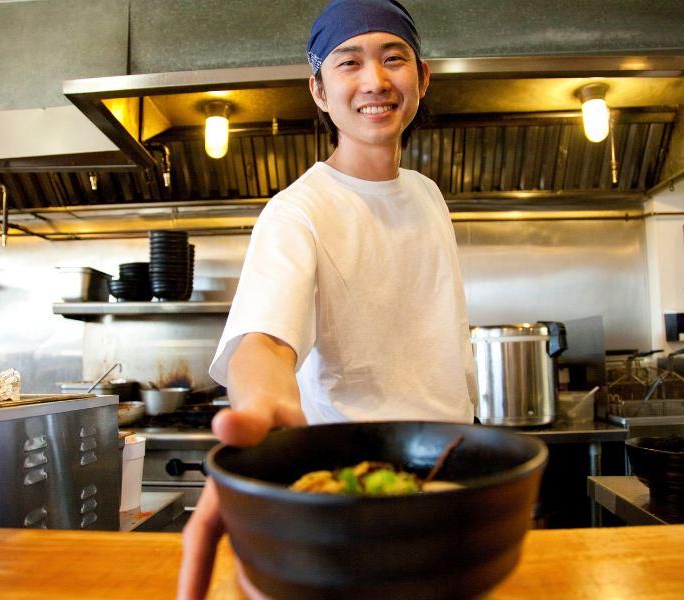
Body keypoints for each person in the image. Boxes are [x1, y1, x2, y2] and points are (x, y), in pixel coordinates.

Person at [177, 1, 476, 597]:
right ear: (318, 88)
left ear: (423, 77)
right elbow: (262, 341)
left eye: (395, 59)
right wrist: (270, 425)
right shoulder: (298, 211)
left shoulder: (428, 195)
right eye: (349, 62)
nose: (375, 80)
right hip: (349, 494)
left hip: (449, 481)